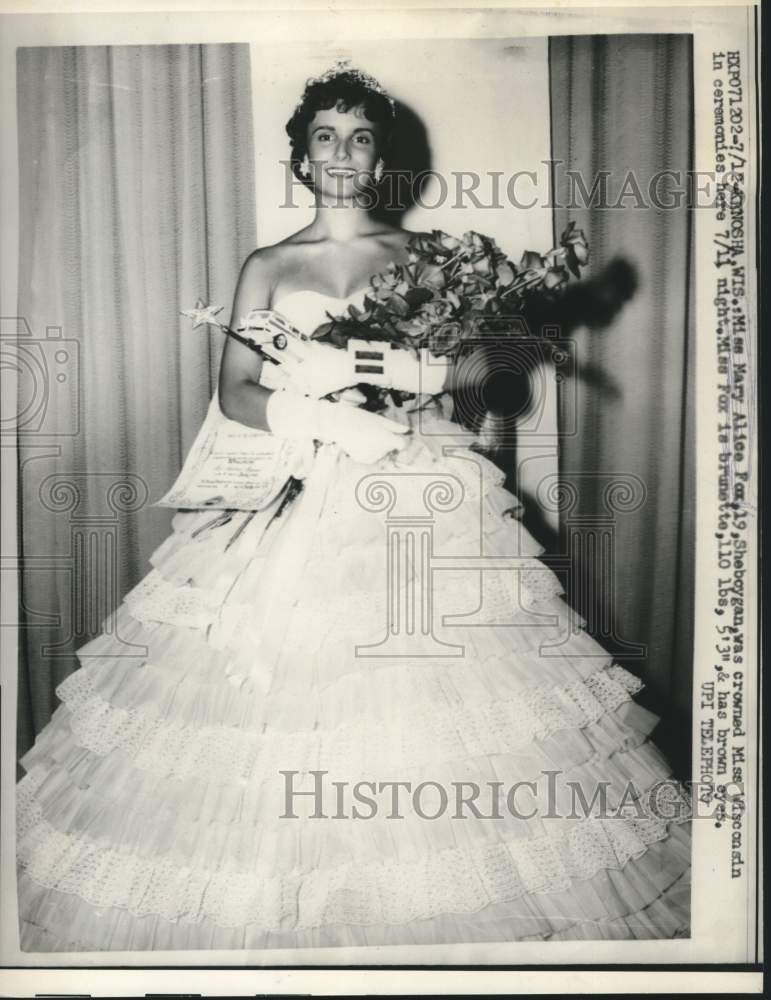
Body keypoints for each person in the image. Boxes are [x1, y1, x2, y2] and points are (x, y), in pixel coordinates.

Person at [16, 63, 691, 953]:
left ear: (381, 160)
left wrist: (401, 377)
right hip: (291, 485)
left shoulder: (429, 258)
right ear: (300, 155)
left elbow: (477, 380)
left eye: (360, 137)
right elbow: (235, 393)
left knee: (430, 693)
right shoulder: (268, 265)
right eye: (324, 137)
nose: (342, 153)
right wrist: (311, 409)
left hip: (412, 490)